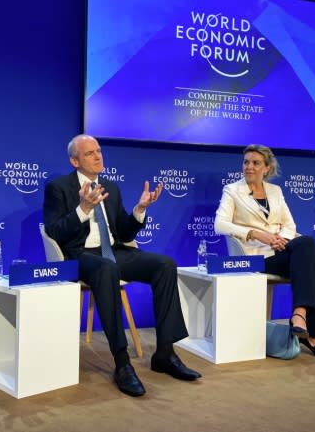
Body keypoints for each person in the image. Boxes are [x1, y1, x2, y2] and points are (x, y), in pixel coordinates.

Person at [43, 134, 201, 397]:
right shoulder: (58, 188)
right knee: (107, 268)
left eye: (99, 151)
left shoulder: (110, 187)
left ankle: (164, 353)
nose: (97, 156)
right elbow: (55, 232)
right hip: (79, 256)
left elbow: (124, 235)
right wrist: (82, 209)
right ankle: (122, 362)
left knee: (164, 264)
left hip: (114, 251)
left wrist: (139, 210)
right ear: (74, 161)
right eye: (89, 153)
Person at [214, 144, 315, 359]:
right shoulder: (232, 190)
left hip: (280, 250)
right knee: (313, 263)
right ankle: (313, 335)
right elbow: (220, 225)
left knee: (306, 243)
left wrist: (281, 240)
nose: (249, 167)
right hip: (254, 256)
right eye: (246, 162)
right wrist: (256, 234)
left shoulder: (275, 191)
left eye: (255, 163)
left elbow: (290, 225)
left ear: (266, 168)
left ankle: (300, 314)